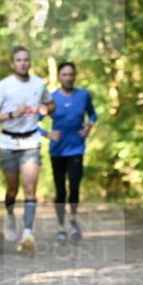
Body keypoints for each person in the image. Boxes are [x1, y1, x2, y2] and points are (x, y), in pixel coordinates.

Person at [0, 46, 54, 253]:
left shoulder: (38, 84)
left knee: (30, 188)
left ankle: (27, 233)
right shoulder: (3, 86)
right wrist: (13, 114)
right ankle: (9, 213)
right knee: (12, 188)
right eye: (19, 60)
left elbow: (51, 105)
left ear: (29, 62)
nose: (23, 63)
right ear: (12, 63)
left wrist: (45, 109)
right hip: (8, 143)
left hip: (31, 141)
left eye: (26, 60)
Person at [40, 60, 97, 242]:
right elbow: (33, 120)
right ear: (59, 76)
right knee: (59, 191)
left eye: (71, 74)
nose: (68, 78)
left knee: (74, 187)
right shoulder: (51, 99)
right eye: (64, 74)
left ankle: (72, 220)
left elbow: (93, 114)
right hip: (57, 151)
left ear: (75, 76)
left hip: (76, 148)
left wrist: (88, 125)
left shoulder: (83, 95)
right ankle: (61, 228)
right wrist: (47, 134)